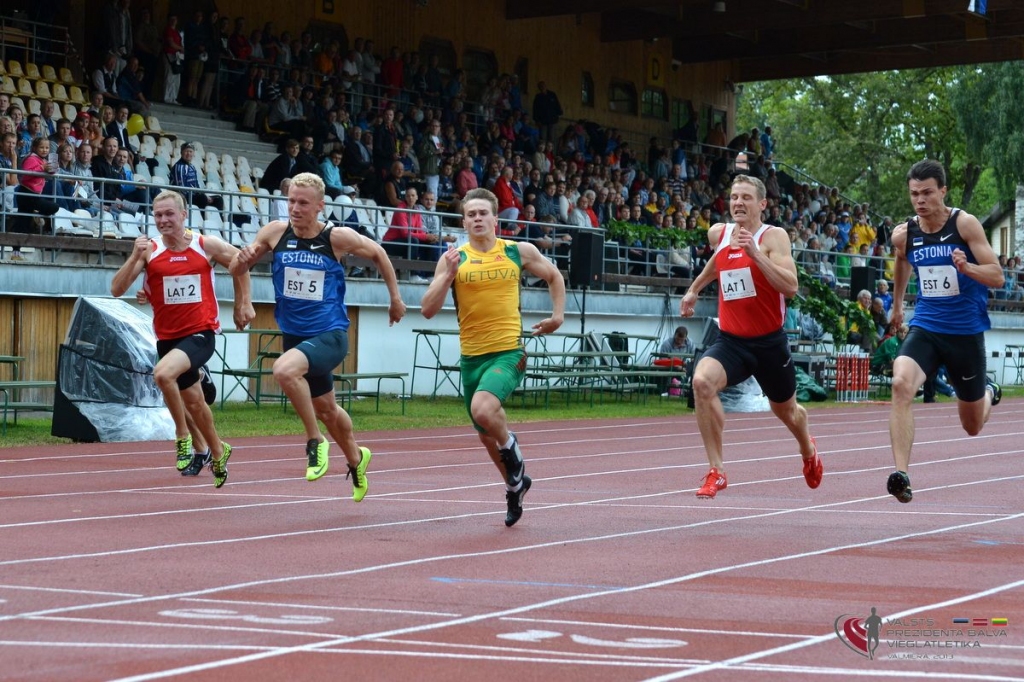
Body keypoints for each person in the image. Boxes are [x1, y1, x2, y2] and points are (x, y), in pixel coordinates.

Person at [230, 173, 407, 501]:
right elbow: (240, 265)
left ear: (319, 206)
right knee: (327, 409)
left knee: (284, 371)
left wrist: (395, 299)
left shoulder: (336, 238)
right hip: (295, 336)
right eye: (291, 201)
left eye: (303, 203)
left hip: (330, 334)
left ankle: (315, 442)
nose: (295, 209)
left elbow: (380, 254)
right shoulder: (274, 232)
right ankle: (356, 458)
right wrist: (243, 295)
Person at [420, 187, 566, 527]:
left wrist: (557, 316)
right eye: (471, 215)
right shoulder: (453, 258)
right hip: (472, 357)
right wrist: (448, 276)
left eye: (483, 213)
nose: (477, 219)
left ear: (495, 219)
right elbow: (427, 309)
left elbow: (554, 276)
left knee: (483, 409)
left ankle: (512, 449)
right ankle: (515, 485)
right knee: (485, 432)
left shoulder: (517, 250)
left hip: (509, 351)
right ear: (464, 222)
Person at [680, 174, 823, 499]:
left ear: (762, 204)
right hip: (732, 341)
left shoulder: (774, 238)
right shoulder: (720, 233)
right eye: (734, 197)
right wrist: (693, 290)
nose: (738, 203)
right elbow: (717, 264)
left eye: (746, 197)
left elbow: (791, 287)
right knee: (701, 382)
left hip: (770, 342)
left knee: (786, 411)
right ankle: (716, 470)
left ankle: (808, 449)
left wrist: (757, 255)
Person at [110, 190, 255, 486]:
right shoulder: (149, 250)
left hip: (200, 332)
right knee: (196, 404)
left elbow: (240, 264)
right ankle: (217, 450)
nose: (163, 220)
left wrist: (244, 303)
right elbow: (116, 289)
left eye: (169, 214)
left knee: (163, 375)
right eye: (158, 215)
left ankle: (181, 436)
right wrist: (136, 259)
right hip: (167, 337)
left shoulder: (205, 245)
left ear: (183, 215)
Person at [885, 159, 1004, 504]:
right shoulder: (905, 233)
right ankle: (902, 474)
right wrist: (897, 306)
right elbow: (903, 259)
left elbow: (997, 276)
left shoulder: (964, 225)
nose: (920, 200)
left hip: (965, 332)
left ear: (943, 191)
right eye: (913, 194)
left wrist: (967, 267)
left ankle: (986, 392)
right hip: (927, 324)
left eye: (926, 193)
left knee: (972, 425)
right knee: (900, 383)